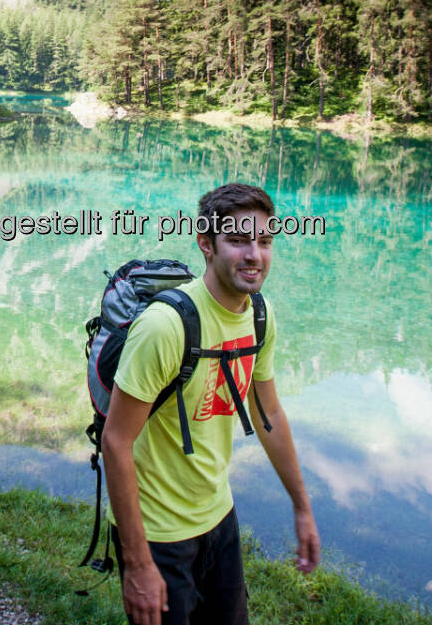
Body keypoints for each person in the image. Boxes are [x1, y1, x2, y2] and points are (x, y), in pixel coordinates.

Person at [102, 183, 321, 625]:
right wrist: (139, 562)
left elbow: (269, 415)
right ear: (206, 243)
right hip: (157, 532)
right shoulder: (165, 326)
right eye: (238, 240)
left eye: (263, 241)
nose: (254, 255)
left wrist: (301, 506)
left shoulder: (260, 315)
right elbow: (116, 442)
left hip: (219, 518)